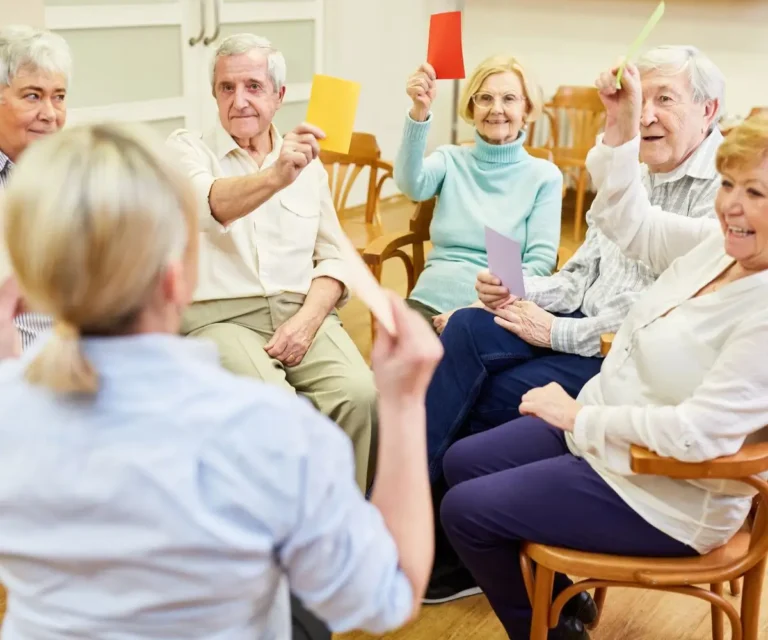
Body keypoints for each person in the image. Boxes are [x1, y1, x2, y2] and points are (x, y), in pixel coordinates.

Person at [0, 121, 443, 638]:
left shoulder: (12, 411)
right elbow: (387, 596)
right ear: (177, 281)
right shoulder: (270, 433)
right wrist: (404, 403)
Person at [439, 63, 768, 640]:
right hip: (611, 435)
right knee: (461, 461)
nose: (730, 207)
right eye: (728, 185)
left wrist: (579, 417)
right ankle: (560, 606)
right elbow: (628, 224)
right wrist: (619, 121)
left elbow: (697, 436)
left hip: (665, 490)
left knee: (465, 509)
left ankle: (553, 631)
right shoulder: (719, 247)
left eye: (755, 193)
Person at [166, 34, 375, 491]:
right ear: (214, 94)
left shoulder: (308, 165)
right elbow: (209, 204)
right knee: (275, 411)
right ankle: (282, 524)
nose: (239, 100)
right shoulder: (186, 149)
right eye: (227, 87)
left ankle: (343, 515)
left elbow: (334, 256)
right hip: (220, 318)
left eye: (253, 87)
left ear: (279, 96)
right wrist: (276, 176)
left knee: (361, 395)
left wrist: (308, 320)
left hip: (301, 311)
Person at [395, 55, 562, 331]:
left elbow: (540, 264)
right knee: (398, 350)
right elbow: (409, 183)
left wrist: (475, 310)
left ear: (527, 109)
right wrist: (419, 111)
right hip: (428, 302)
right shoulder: (450, 159)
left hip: (495, 312)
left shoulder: (544, 176)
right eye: (485, 98)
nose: (496, 109)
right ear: (472, 108)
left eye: (509, 98)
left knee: (455, 352)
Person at [0, 25, 71, 356]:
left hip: (77, 355)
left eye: (59, 97)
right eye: (33, 96)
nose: (50, 115)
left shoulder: (69, 173)